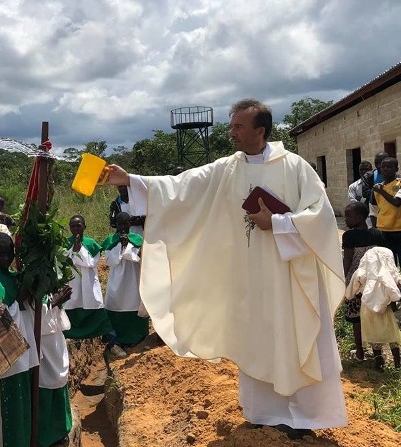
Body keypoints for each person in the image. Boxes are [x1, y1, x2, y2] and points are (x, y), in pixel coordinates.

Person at [105, 99, 347, 439]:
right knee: (255, 338)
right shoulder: (228, 168)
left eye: (238, 127)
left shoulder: (294, 167)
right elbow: (182, 186)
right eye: (231, 125)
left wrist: (277, 222)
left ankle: (302, 419)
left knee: (290, 337)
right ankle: (264, 412)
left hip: (287, 275)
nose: (230, 132)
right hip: (248, 276)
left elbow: (320, 218)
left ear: (260, 131)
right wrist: (129, 179)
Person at [0, 233, 38, 447]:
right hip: (11, 356)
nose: (6, 259)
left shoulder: (14, 276)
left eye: (9, 254)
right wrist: (19, 298)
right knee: (13, 408)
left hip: (24, 348)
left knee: (24, 404)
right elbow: (1, 316)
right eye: (0, 255)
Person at [346, 246, 401, 370]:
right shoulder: (390, 272)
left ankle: (378, 362)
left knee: (373, 335)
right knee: (391, 334)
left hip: (368, 308)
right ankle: (398, 363)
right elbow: (397, 281)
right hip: (386, 308)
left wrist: (350, 294)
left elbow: (353, 286)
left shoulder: (363, 270)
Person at [342, 202, 384, 360]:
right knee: (373, 317)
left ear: (360, 218)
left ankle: (360, 353)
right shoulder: (377, 234)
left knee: (356, 318)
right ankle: (378, 355)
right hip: (374, 282)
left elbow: (347, 260)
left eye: (349, 216)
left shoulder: (349, 236)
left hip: (356, 282)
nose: (345, 219)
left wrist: (344, 280)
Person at [102, 212, 148, 348]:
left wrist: (127, 246)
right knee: (116, 303)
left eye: (126, 224)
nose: (123, 227)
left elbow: (140, 257)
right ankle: (116, 338)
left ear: (129, 224)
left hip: (133, 277)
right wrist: (121, 247)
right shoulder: (111, 240)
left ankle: (138, 337)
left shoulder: (138, 239)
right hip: (117, 279)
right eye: (120, 224)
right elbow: (109, 261)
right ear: (116, 224)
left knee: (134, 303)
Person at [64, 215, 113, 340]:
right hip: (71, 280)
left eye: (78, 225)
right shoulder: (65, 243)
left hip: (88, 281)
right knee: (71, 302)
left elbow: (92, 263)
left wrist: (78, 250)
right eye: (73, 226)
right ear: (69, 228)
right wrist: (74, 250)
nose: (76, 229)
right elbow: (64, 261)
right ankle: (72, 334)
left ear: (84, 227)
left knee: (92, 301)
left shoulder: (91, 244)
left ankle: (102, 334)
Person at [37, 287, 73, 447]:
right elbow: (33, 312)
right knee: (44, 383)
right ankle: (46, 436)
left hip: (55, 338)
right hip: (42, 341)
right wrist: (52, 303)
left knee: (59, 381)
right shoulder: (27, 280)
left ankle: (61, 430)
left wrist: (58, 301)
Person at [370, 157, 401, 265]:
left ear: (396, 169)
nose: (385, 169)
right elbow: (373, 209)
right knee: (388, 262)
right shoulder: (377, 187)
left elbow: (397, 202)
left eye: (389, 167)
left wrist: (381, 191)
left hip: (398, 229)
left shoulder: (398, 184)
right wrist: (375, 227)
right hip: (384, 229)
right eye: (383, 167)